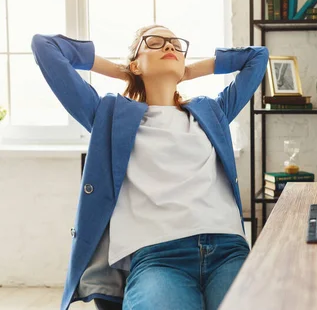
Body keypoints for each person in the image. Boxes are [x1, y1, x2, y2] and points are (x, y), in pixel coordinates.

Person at [30, 24, 269, 310]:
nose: (169, 47)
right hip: (159, 257)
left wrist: (189, 71)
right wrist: (123, 72)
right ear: (135, 63)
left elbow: (258, 56)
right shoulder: (111, 116)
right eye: (155, 42)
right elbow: (44, 46)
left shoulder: (212, 113)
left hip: (228, 250)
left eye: (175, 45)